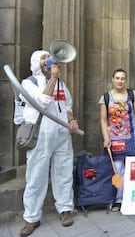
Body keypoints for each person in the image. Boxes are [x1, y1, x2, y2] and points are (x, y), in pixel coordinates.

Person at [19, 50, 79, 237]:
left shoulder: (61, 84)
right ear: (36, 62)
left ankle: (65, 209)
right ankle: (31, 218)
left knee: (64, 171)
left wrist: (72, 120)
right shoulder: (29, 83)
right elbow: (42, 102)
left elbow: (67, 105)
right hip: (40, 133)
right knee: (36, 175)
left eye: (48, 56)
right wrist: (53, 78)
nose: (47, 60)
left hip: (61, 134)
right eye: (43, 58)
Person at [100, 69, 135, 211]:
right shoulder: (106, 98)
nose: (120, 81)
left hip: (132, 136)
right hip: (115, 138)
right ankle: (119, 199)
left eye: (122, 78)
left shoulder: (133, 95)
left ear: (125, 80)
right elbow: (103, 120)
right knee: (118, 169)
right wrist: (106, 138)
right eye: (117, 78)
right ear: (113, 80)